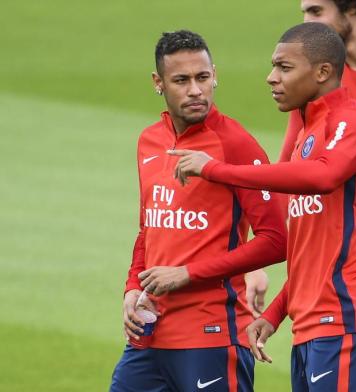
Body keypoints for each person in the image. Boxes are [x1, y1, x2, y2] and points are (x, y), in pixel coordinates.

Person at [168, 23, 356, 391]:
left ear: (322, 72)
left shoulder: (353, 119)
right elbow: (310, 256)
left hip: (349, 316)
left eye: (284, 68)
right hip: (311, 325)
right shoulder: (306, 133)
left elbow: (325, 176)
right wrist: (273, 315)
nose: (271, 78)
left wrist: (215, 169)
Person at [109, 30, 287, 392]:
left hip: (211, 337)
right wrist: (131, 288)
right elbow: (150, 229)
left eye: (202, 78)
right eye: (181, 80)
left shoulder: (234, 144)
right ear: (158, 83)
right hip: (149, 335)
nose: (195, 90)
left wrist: (187, 273)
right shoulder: (149, 141)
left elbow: (276, 240)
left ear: (215, 75)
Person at [280, 0, 356, 288]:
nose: (307, 22)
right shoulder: (319, 77)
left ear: (352, 6)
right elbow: (288, 172)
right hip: (347, 263)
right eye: (304, 12)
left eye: (316, 11)